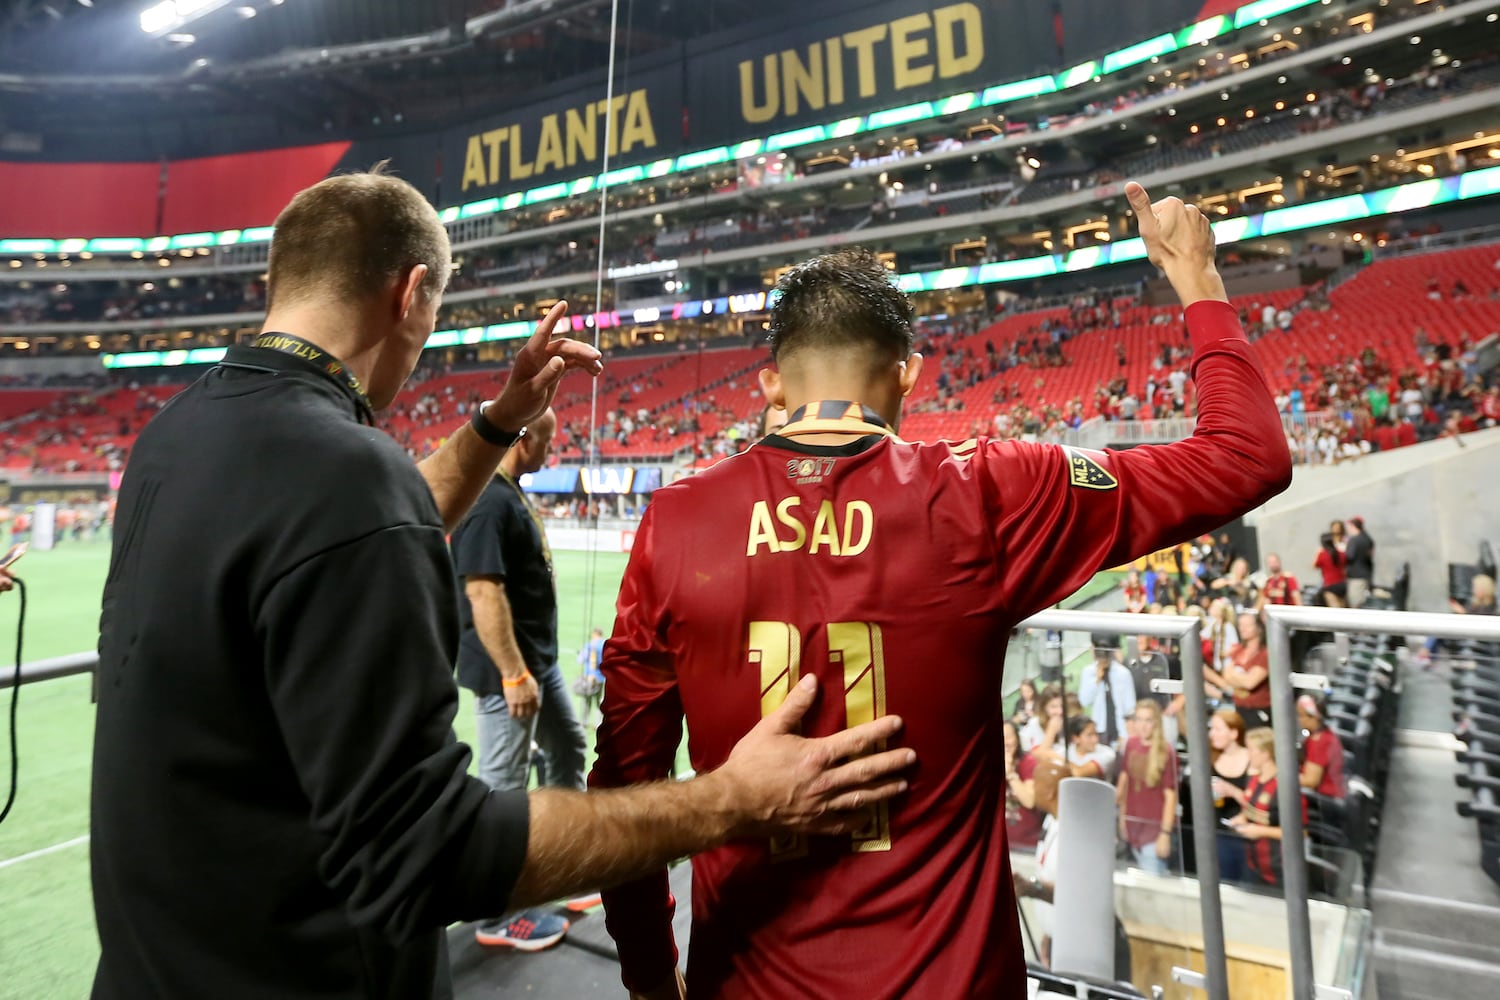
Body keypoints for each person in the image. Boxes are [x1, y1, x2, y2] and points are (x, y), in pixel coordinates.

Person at [89, 169, 915, 1000]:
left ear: (278, 280)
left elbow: (376, 512)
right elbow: (431, 849)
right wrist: (730, 798)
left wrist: (500, 419)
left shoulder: (175, 434)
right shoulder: (346, 473)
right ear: (411, 295)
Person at [589, 181, 1291, 999]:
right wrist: (1195, 278)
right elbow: (1248, 455)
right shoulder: (987, 492)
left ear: (772, 384)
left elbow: (625, 788)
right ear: (909, 375)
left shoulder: (674, 520)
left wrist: (648, 974)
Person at [450, 406, 593, 949]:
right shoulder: (487, 499)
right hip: (508, 673)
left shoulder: (506, 489)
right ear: (524, 436)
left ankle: (569, 863)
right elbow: (483, 592)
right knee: (504, 789)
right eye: (548, 442)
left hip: (540, 662)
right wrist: (513, 674)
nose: (550, 453)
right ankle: (495, 915)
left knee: (567, 746)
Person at [1228, 727, 1306, 887]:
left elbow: (1300, 833)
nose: (1248, 754)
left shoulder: (1285, 787)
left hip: (1279, 870)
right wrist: (1240, 819)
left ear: (1265, 754)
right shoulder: (1253, 779)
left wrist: (1260, 831)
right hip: (1252, 864)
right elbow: (1249, 810)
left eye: (1251, 749)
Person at [1117, 701, 1180, 875]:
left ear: (1156, 723)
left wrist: (1165, 834)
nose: (1143, 726)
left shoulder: (1166, 752)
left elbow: (1171, 798)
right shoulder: (1131, 744)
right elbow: (1126, 784)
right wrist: (1123, 818)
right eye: (1139, 719)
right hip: (1133, 827)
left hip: (1154, 832)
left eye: (1148, 720)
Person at [1208, 709, 1251, 882]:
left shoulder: (1251, 758)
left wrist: (1232, 791)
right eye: (1211, 729)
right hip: (1217, 831)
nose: (1212, 734)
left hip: (1245, 832)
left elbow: (1259, 799)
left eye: (1218, 729)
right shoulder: (1210, 758)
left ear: (1234, 733)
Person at [1079, 639, 1137, 748]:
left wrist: (1125, 734)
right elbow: (1084, 701)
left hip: (1120, 731)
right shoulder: (1088, 672)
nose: (1103, 662)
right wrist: (1097, 680)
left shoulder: (1123, 674)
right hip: (1098, 729)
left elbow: (1130, 706)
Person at [1225, 611, 1272, 729]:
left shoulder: (1264, 654)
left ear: (1258, 628)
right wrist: (1241, 678)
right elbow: (1225, 676)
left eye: (1247, 625)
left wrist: (1234, 677)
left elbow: (1250, 682)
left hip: (1258, 711)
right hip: (1239, 708)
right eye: (1240, 625)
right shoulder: (1238, 650)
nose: (1242, 629)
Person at [1003, 720, 1044, 850]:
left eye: (1009, 737)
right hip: (998, 842)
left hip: (1026, 844)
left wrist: (1010, 774)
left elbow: (1029, 801)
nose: (1005, 742)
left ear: (1017, 739)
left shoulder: (1028, 762)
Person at [1297, 695, 1346, 798]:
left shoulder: (1319, 742)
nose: (1299, 720)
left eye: (1301, 716)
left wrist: (1281, 775)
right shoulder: (1322, 733)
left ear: (1314, 717)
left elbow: (1311, 781)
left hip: (1323, 798)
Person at [1065, 715, 1119, 782]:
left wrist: (1060, 761)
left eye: (1096, 734)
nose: (1095, 740)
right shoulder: (1065, 751)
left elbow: (1078, 773)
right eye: (1089, 735)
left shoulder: (1107, 754)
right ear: (1075, 738)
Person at [1020, 683, 1065, 754]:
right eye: (1053, 707)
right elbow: (1040, 755)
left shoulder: (1069, 721)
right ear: (1044, 708)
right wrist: (1051, 731)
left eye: (1062, 705)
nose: (1060, 711)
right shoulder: (1035, 724)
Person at [577, 626, 608, 725]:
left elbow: (580, 660)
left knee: (586, 701)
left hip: (589, 678)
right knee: (599, 701)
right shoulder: (604, 644)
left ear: (594, 634)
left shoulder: (589, 645)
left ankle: (584, 722)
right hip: (601, 678)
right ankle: (598, 723)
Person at [1344, 516, 1375, 607]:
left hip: (1356, 576)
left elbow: (1349, 556)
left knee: (1356, 602)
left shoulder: (1354, 540)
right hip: (1365, 574)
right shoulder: (1367, 539)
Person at [1313, 530, 1347, 608]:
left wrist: (1317, 553)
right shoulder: (1341, 553)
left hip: (1330, 586)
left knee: (1334, 609)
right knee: (1342, 606)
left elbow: (1314, 566)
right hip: (1342, 584)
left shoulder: (1323, 554)